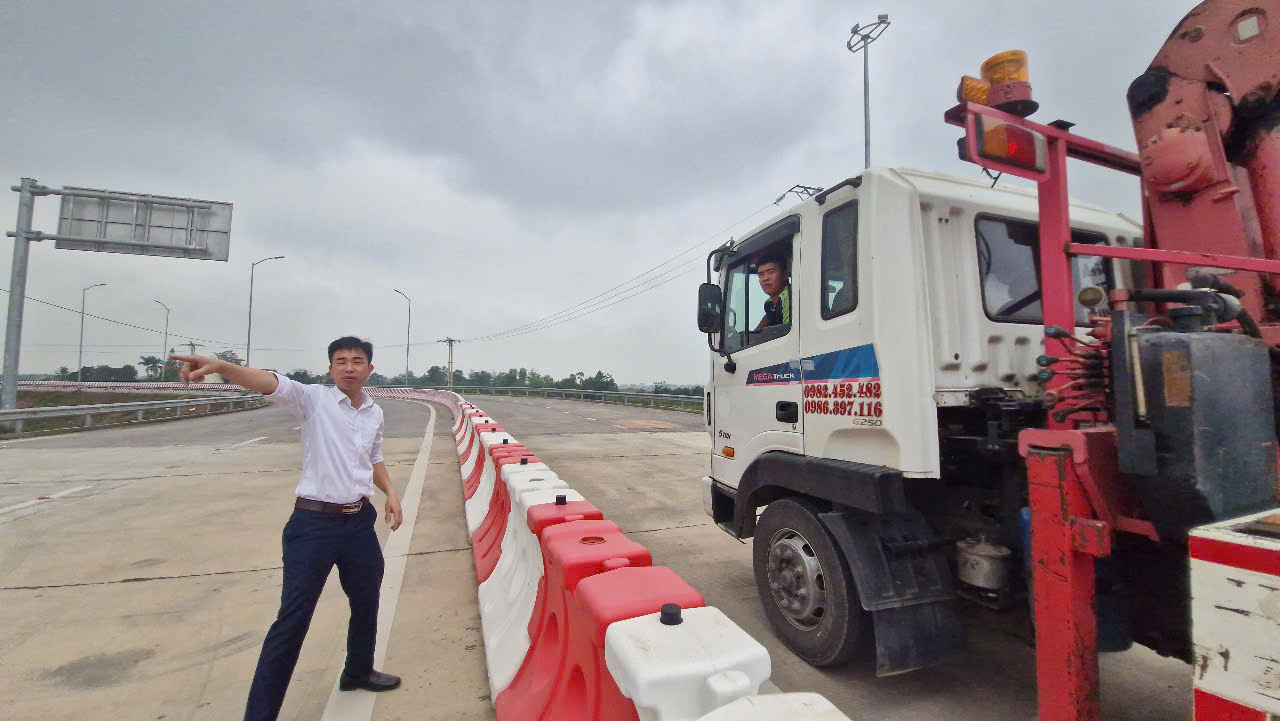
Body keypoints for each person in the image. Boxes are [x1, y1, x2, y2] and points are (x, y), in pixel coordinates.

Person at [170, 336, 404, 721]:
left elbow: (373, 457)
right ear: (330, 369)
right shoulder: (313, 399)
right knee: (293, 621)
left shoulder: (374, 412)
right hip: (314, 525)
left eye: (357, 361)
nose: (349, 367)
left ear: (369, 369)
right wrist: (223, 368)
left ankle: (357, 671)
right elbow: (268, 381)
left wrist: (391, 492)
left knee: (366, 602)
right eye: (340, 361)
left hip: (360, 521)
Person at [754, 253, 791, 331]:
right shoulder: (769, 304)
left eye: (771, 272)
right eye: (761, 274)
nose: (765, 278)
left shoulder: (791, 296)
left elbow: (788, 333)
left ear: (785, 275)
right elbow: (757, 333)